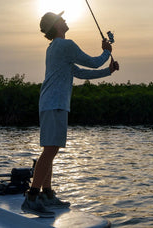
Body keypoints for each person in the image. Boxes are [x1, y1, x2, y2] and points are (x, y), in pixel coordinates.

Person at [21, 11, 119, 217]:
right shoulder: (65, 45)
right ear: (56, 26)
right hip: (54, 104)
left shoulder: (56, 49)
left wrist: (108, 71)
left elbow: (80, 73)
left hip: (52, 104)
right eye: (61, 19)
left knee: (51, 150)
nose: (65, 20)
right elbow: (92, 62)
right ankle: (32, 198)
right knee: (49, 151)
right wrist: (106, 51)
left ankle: (47, 194)